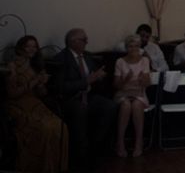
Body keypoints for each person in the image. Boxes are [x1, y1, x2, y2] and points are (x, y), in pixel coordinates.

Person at [54, 28, 117, 169]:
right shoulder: (61, 59)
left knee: (110, 106)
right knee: (80, 110)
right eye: (84, 39)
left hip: (89, 96)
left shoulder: (87, 56)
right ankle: (80, 159)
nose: (87, 42)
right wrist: (88, 80)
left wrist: (100, 77)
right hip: (71, 99)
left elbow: (95, 78)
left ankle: (94, 147)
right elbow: (61, 87)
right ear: (73, 42)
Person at [6, 35, 68, 173]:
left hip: (35, 103)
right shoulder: (12, 66)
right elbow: (12, 93)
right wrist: (34, 81)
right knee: (43, 128)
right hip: (18, 104)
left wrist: (41, 84)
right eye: (28, 46)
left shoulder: (37, 65)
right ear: (21, 47)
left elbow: (43, 94)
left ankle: (53, 166)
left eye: (34, 46)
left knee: (59, 125)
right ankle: (37, 167)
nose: (31, 49)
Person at [113, 34, 151, 158]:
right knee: (125, 105)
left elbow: (147, 83)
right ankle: (120, 143)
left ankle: (138, 142)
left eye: (136, 46)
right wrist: (126, 79)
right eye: (130, 46)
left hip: (139, 93)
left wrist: (142, 80)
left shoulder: (145, 60)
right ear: (126, 47)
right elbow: (117, 85)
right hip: (123, 93)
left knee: (136, 104)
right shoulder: (120, 61)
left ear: (139, 47)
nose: (133, 49)